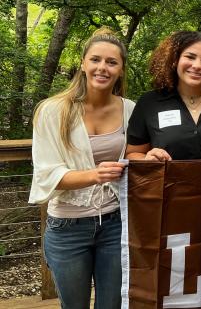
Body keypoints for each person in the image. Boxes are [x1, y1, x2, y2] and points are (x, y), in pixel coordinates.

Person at [29, 28, 134, 309]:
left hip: (115, 224)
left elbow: (139, 155)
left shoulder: (130, 110)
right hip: (67, 227)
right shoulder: (53, 110)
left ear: (121, 69)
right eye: (96, 60)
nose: (103, 67)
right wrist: (95, 174)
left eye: (111, 62)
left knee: (112, 305)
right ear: (83, 63)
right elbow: (46, 174)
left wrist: (153, 154)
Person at [126, 31, 201, 161]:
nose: (197, 66)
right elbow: (132, 154)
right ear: (175, 60)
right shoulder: (149, 103)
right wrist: (146, 159)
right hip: (167, 181)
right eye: (190, 57)